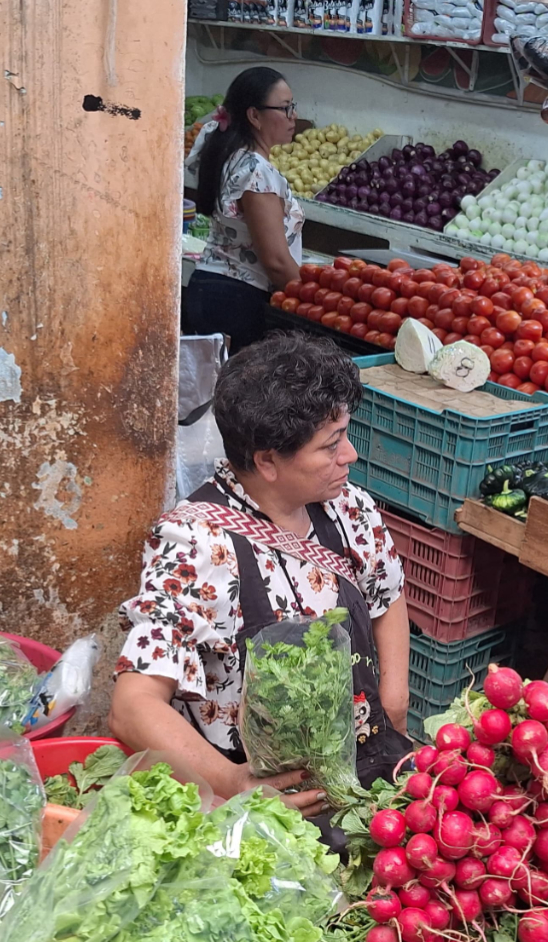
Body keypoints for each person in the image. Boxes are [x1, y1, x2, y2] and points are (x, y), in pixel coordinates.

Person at [109, 331, 411, 829]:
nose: (350, 456)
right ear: (267, 460)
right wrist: (232, 785)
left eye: (345, 435)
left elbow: (387, 594)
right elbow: (133, 706)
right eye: (331, 445)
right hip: (268, 805)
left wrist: (394, 704)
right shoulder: (197, 543)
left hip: (365, 766)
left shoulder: (349, 508)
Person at [184, 66, 304, 354]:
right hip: (237, 300)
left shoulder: (226, 151)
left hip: (209, 288)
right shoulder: (256, 172)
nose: (293, 116)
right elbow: (275, 260)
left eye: (293, 107)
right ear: (253, 116)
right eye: (285, 108)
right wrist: (311, 299)